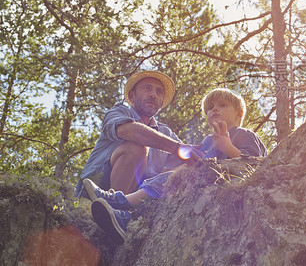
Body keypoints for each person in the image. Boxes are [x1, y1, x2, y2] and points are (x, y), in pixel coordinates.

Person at [82, 88, 268, 244]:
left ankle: (120, 202)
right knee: (170, 181)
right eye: (210, 108)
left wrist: (228, 147)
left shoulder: (243, 134)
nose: (214, 110)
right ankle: (124, 218)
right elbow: (193, 161)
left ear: (239, 114)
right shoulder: (208, 141)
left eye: (222, 105)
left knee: (172, 177)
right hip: (202, 185)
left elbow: (257, 164)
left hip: (222, 184)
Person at [75, 70, 200, 198]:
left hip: (132, 200)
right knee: (137, 148)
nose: (153, 95)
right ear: (131, 96)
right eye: (147, 88)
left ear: (161, 103)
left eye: (159, 92)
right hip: (91, 190)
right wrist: (175, 147)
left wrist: (216, 141)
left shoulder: (165, 132)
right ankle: (112, 205)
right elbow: (130, 131)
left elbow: (192, 156)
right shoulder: (117, 112)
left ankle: (120, 209)